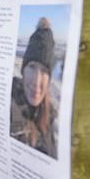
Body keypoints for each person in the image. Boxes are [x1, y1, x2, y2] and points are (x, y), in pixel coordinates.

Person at [10, 17, 58, 159]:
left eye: (44, 71)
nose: (37, 81)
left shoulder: (48, 114)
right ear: (23, 70)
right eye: (32, 67)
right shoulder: (9, 105)